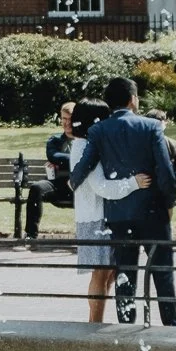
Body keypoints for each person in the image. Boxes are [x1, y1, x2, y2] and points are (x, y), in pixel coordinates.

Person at [70, 76, 176, 327]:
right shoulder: (151, 126)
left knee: (125, 273)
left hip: (118, 216)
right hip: (153, 212)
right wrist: (169, 201)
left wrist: (73, 181)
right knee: (162, 271)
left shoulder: (99, 130)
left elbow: (83, 167)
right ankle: (171, 326)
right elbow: (165, 171)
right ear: (133, 99)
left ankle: (126, 324)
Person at [69, 99, 146, 323]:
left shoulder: (85, 143)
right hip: (95, 220)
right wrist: (134, 183)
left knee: (108, 274)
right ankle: (95, 325)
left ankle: (96, 321)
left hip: (97, 217)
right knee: (100, 274)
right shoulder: (84, 146)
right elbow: (100, 185)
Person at [24, 101, 76, 241]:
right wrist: (77, 160)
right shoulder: (55, 140)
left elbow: (60, 159)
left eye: (70, 119)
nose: (66, 123)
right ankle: (30, 235)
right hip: (58, 185)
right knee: (36, 188)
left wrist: (62, 162)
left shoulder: (84, 140)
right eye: (64, 119)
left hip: (80, 187)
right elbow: (53, 156)